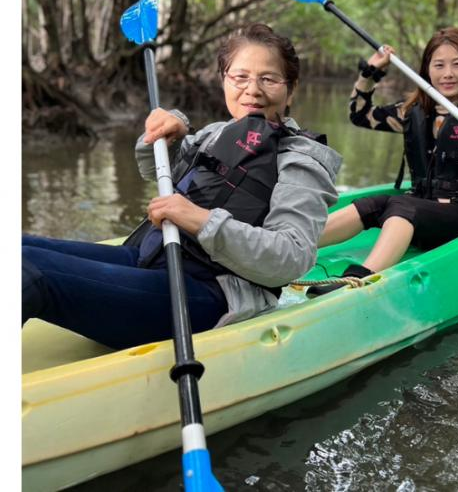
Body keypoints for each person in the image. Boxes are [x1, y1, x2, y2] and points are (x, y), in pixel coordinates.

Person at [23, 23, 342, 349]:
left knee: (27, 271)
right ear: (224, 80)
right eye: (240, 77)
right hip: (151, 257)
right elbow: (160, 172)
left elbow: (292, 257)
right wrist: (168, 133)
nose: (253, 90)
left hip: (210, 293)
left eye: (269, 79)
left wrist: (201, 220)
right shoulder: (217, 132)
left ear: (291, 88)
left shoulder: (301, 160)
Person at [306, 27, 458, 297]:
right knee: (374, 204)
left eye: (457, 64)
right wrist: (371, 72)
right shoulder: (411, 110)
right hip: (419, 210)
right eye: (439, 65)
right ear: (427, 69)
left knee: (402, 205)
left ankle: (359, 279)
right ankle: (291, 245)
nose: (448, 74)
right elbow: (359, 114)